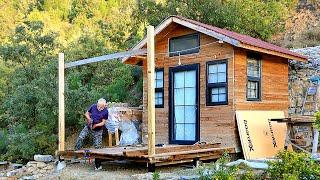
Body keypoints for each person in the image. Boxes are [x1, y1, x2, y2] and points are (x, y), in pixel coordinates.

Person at [75, 98, 108, 170]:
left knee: (97, 147)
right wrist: (89, 118)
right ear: (97, 104)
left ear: (104, 106)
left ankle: (98, 165)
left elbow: (103, 122)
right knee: (81, 137)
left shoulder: (106, 111)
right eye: (98, 106)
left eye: (101, 107)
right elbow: (86, 113)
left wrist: (96, 125)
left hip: (98, 130)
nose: (99, 108)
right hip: (89, 126)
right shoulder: (93, 106)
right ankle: (76, 154)